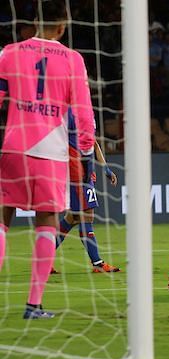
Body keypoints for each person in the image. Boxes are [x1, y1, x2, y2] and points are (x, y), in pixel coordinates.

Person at [0, 1, 96, 319]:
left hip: (13, 145)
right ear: (63, 26)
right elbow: (84, 113)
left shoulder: (9, 53)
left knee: (2, 219)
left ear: (35, 22)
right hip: (51, 152)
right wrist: (84, 151)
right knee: (46, 222)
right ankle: (33, 305)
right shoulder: (72, 59)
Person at [51, 109, 120, 274]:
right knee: (86, 216)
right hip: (76, 173)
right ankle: (97, 262)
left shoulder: (88, 113)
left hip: (86, 173)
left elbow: (93, 144)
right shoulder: (69, 113)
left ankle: (43, 258)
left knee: (72, 218)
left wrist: (106, 169)